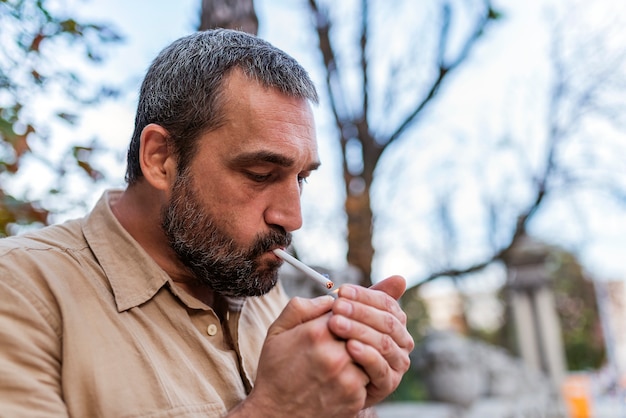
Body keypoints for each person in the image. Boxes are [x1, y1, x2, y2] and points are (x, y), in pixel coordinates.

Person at [0, 29, 414, 417]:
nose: (292, 217)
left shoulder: (258, 288)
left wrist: (345, 398)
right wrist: (275, 411)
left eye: (301, 178)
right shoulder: (21, 291)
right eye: (260, 174)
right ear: (160, 158)